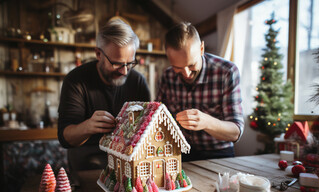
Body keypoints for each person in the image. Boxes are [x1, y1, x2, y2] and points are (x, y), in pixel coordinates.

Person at [58, 19, 150, 174]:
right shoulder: (75, 81)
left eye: (130, 63)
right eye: (117, 64)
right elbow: (65, 138)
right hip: (87, 162)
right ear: (98, 54)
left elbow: (147, 128)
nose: (125, 72)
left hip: (128, 158)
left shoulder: (138, 81)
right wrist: (87, 127)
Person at [156, 22, 244, 161]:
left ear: (201, 48)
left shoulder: (227, 72)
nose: (186, 73)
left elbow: (235, 132)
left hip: (218, 154)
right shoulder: (167, 76)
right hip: (179, 154)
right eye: (177, 67)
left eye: (191, 65)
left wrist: (207, 122)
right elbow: (158, 120)